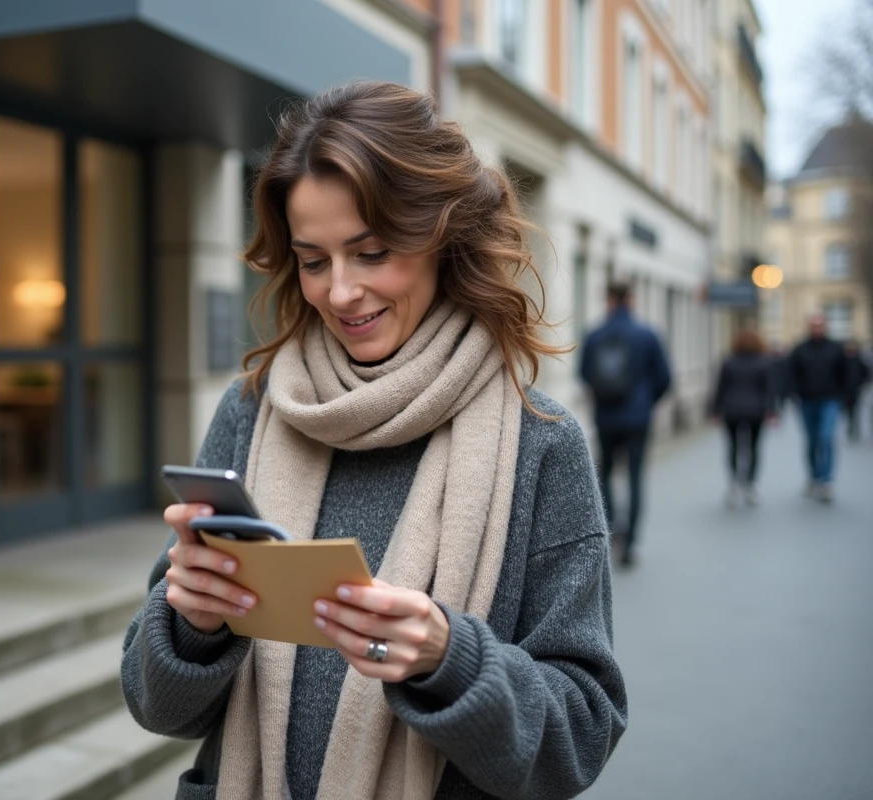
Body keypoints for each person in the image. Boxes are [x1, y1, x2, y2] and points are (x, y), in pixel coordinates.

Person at [120, 82, 625, 800]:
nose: (342, 292)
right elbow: (157, 706)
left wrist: (451, 659)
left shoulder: (541, 443)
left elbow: (580, 736)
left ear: (441, 238)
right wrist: (192, 625)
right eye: (314, 259)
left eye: (372, 250)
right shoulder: (254, 409)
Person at [578, 282, 671, 567]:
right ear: (631, 299)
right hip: (638, 419)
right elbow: (665, 378)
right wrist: (645, 402)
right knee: (634, 477)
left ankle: (610, 530)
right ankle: (630, 543)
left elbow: (583, 374)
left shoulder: (594, 336)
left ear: (608, 299)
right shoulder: (647, 335)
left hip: (606, 417)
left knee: (604, 475)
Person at [710, 328, 778, 506]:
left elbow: (720, 388)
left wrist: (715, 410)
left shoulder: (729, 362)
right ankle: (751, 484)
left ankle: (733, 483)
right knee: (753, 448)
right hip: (756, 411)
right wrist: (771, 411)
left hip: (732, 410)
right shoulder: (764, 362)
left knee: (733, 447)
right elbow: (769, 390)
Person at [787, 314, 848, 502]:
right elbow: (791, 373)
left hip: (830, 399)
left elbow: (845, 373)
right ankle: (814, 477)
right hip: (807, 401)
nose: (817, 329)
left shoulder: (835, 349)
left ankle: (826, 481)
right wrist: (794, 393)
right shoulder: (800, 349)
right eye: (814, 326)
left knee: (826, 437)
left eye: (820, 325)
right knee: (812, 440)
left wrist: (844, 396)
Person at [842, 339, 870, 442]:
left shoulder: (859, 360)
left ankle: (854, 428)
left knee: (855, 410)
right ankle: (850, 427)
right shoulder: (842, 360)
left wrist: (861, 383)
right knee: (847, 410)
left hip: (855, 390)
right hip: (845, 391)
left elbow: (866, 373)